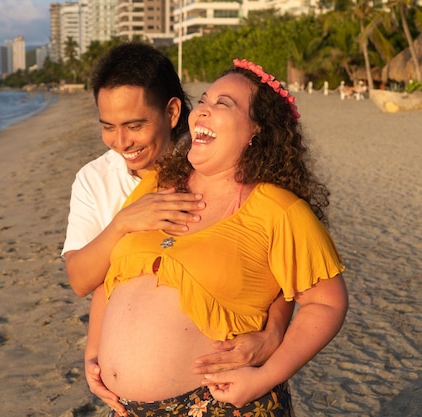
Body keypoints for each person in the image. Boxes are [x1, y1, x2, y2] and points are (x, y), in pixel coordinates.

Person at [94, 59, 349, 416]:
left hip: (219, 403)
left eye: (223, 104)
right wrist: (94, 355)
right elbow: (111, 277)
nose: (202, 111)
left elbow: (327, 304)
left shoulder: (278, 210)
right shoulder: (157, 185)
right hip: (124, 409)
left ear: (256, 131)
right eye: (204, 100)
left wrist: (264, 378)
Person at [62, 43, 293, 415]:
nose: (122, 142)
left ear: (171, 111)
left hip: (218, 385)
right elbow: (82, 278)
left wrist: (275, 331)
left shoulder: (220, 155)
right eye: (109, 127)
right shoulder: (95, 180)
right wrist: (122, 224)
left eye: (135, 126)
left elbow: (286, 257)